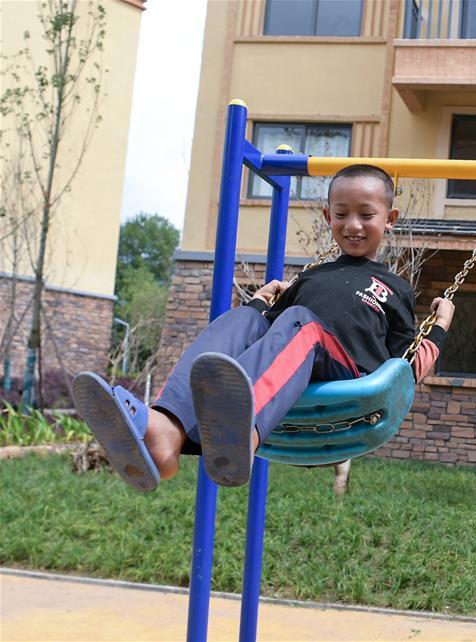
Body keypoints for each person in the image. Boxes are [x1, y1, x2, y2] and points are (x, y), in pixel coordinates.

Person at [73, 164, 454, 491]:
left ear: (390, 218)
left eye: (366, 215)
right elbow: (265, 335)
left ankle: (241, 427)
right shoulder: (310, 278)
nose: (353, 225)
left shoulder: (396, 289)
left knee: (300, 323)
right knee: (243, 318)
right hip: (291, 375)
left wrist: (439, 327)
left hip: (350, 382)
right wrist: (257, 303)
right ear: (328, 216)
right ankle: (165, 430)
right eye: (341, 214)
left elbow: (405, 368)